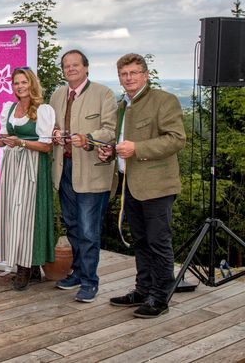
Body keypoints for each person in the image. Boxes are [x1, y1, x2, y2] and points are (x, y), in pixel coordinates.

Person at [100, 53, 186, 318]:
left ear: (145, 75)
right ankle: (143, 290)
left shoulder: (164, 101)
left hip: (157, 186)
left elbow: (176, 139)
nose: (129, 78)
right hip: (130, 186)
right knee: (140, 241)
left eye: (134, 73)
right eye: (124, 74)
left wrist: (137, 148)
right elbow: (123, 144)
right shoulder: (122, 105)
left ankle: (160, 298)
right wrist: (111, 153)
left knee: (158, 243)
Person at [50, 50, 117, 303]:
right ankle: (77, 273)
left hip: (91, 172)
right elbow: (49, 126)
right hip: (64, 169)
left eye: (75, 65)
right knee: (73, 226)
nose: (71, 69)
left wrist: (88, 139)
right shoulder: (57, 94)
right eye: (66, 66)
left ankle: (90, 281)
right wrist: (55, 132)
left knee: (89, 230)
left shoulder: (103, 94)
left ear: (86, 68)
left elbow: (110, 130)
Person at [0, 67, 55, 290]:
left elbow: (46, 146)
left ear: (32, 83)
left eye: (24, 82)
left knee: (27, 215)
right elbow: (6, 138)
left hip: (33, 167)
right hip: (12, 166)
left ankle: (25, 267)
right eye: (16, 83)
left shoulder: (43, 110)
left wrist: (22, 143)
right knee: (12, 214)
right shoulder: (9, 108)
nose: (19, 86)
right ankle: (31, 266)